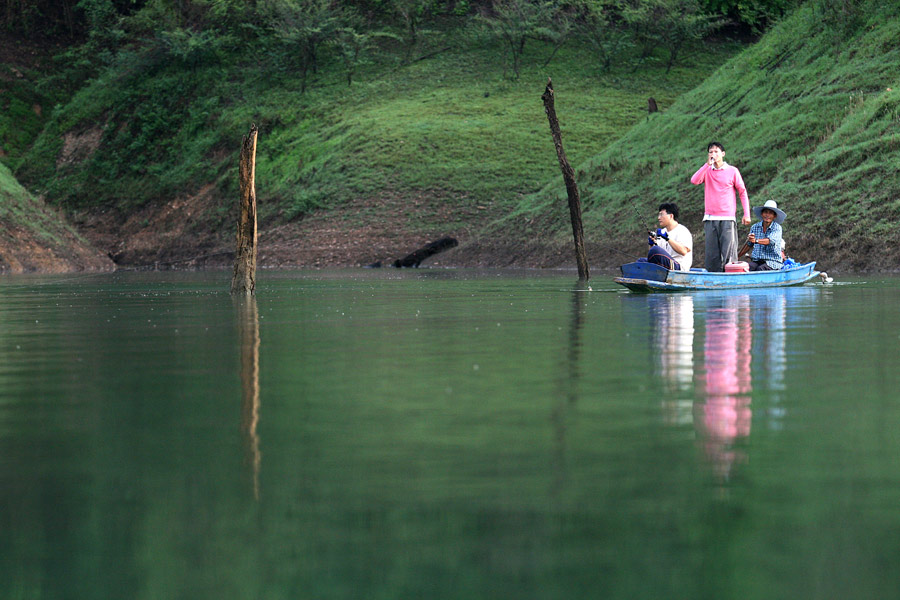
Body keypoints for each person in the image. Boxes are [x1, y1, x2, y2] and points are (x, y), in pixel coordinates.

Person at [690, 141, 751, 272]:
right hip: (710, 218)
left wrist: (746, 214)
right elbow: (694, 180)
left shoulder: (732, 171)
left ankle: (732, 280)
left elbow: (742, 192)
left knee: (729, 255)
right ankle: (714, 283)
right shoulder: (707, 171)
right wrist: (707, 165)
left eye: (716, 151)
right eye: (711, 152)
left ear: (723, 154)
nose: (713, 154)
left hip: (727, 218)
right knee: (712, 256)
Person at [738, 199, 785, 271]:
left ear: (774, 216)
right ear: (762, 214)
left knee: (760, 269)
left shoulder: (777, 228)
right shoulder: (755, 227)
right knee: (746, 268)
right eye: (765, 212)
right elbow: (749, 244)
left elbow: (770, 241)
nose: (767, 215)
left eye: (770, 213)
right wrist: (738, 256)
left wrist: (756, 240)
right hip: (757, 260)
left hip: (772, 261)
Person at [647, 202, 693, 270]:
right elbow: (653, 255)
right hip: (665, 264)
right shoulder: (662, 232)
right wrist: (651, 244)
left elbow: (683, 251)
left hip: (678, 267)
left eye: (661, 215)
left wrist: (667, 238)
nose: (659, 218)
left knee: (655, 250)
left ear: (671, 216)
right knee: (641, 261)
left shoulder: (682, 231)